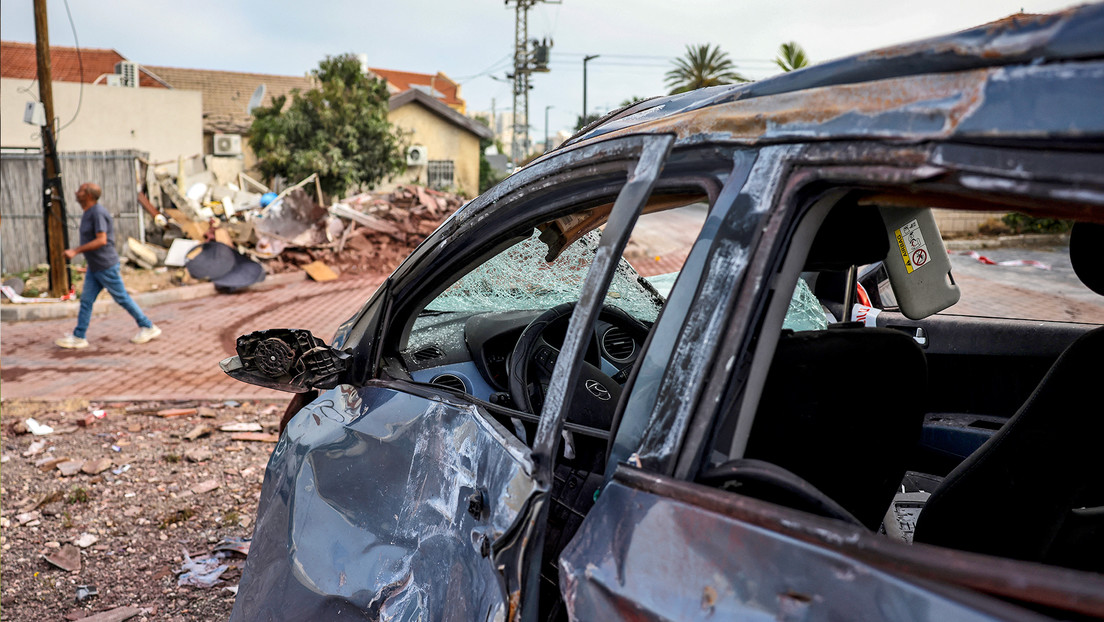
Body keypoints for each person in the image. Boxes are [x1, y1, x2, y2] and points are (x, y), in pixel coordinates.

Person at [55, 182, 161, 349]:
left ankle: (148, 326)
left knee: (122, 298)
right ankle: (79, 336)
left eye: (81, 190)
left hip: (105, 266)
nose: (76, 192)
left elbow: (101, 240)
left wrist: (76, 251)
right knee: (86, 301)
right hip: (95, 266)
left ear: (88, 195)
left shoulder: (97, 213)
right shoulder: (89, 212)